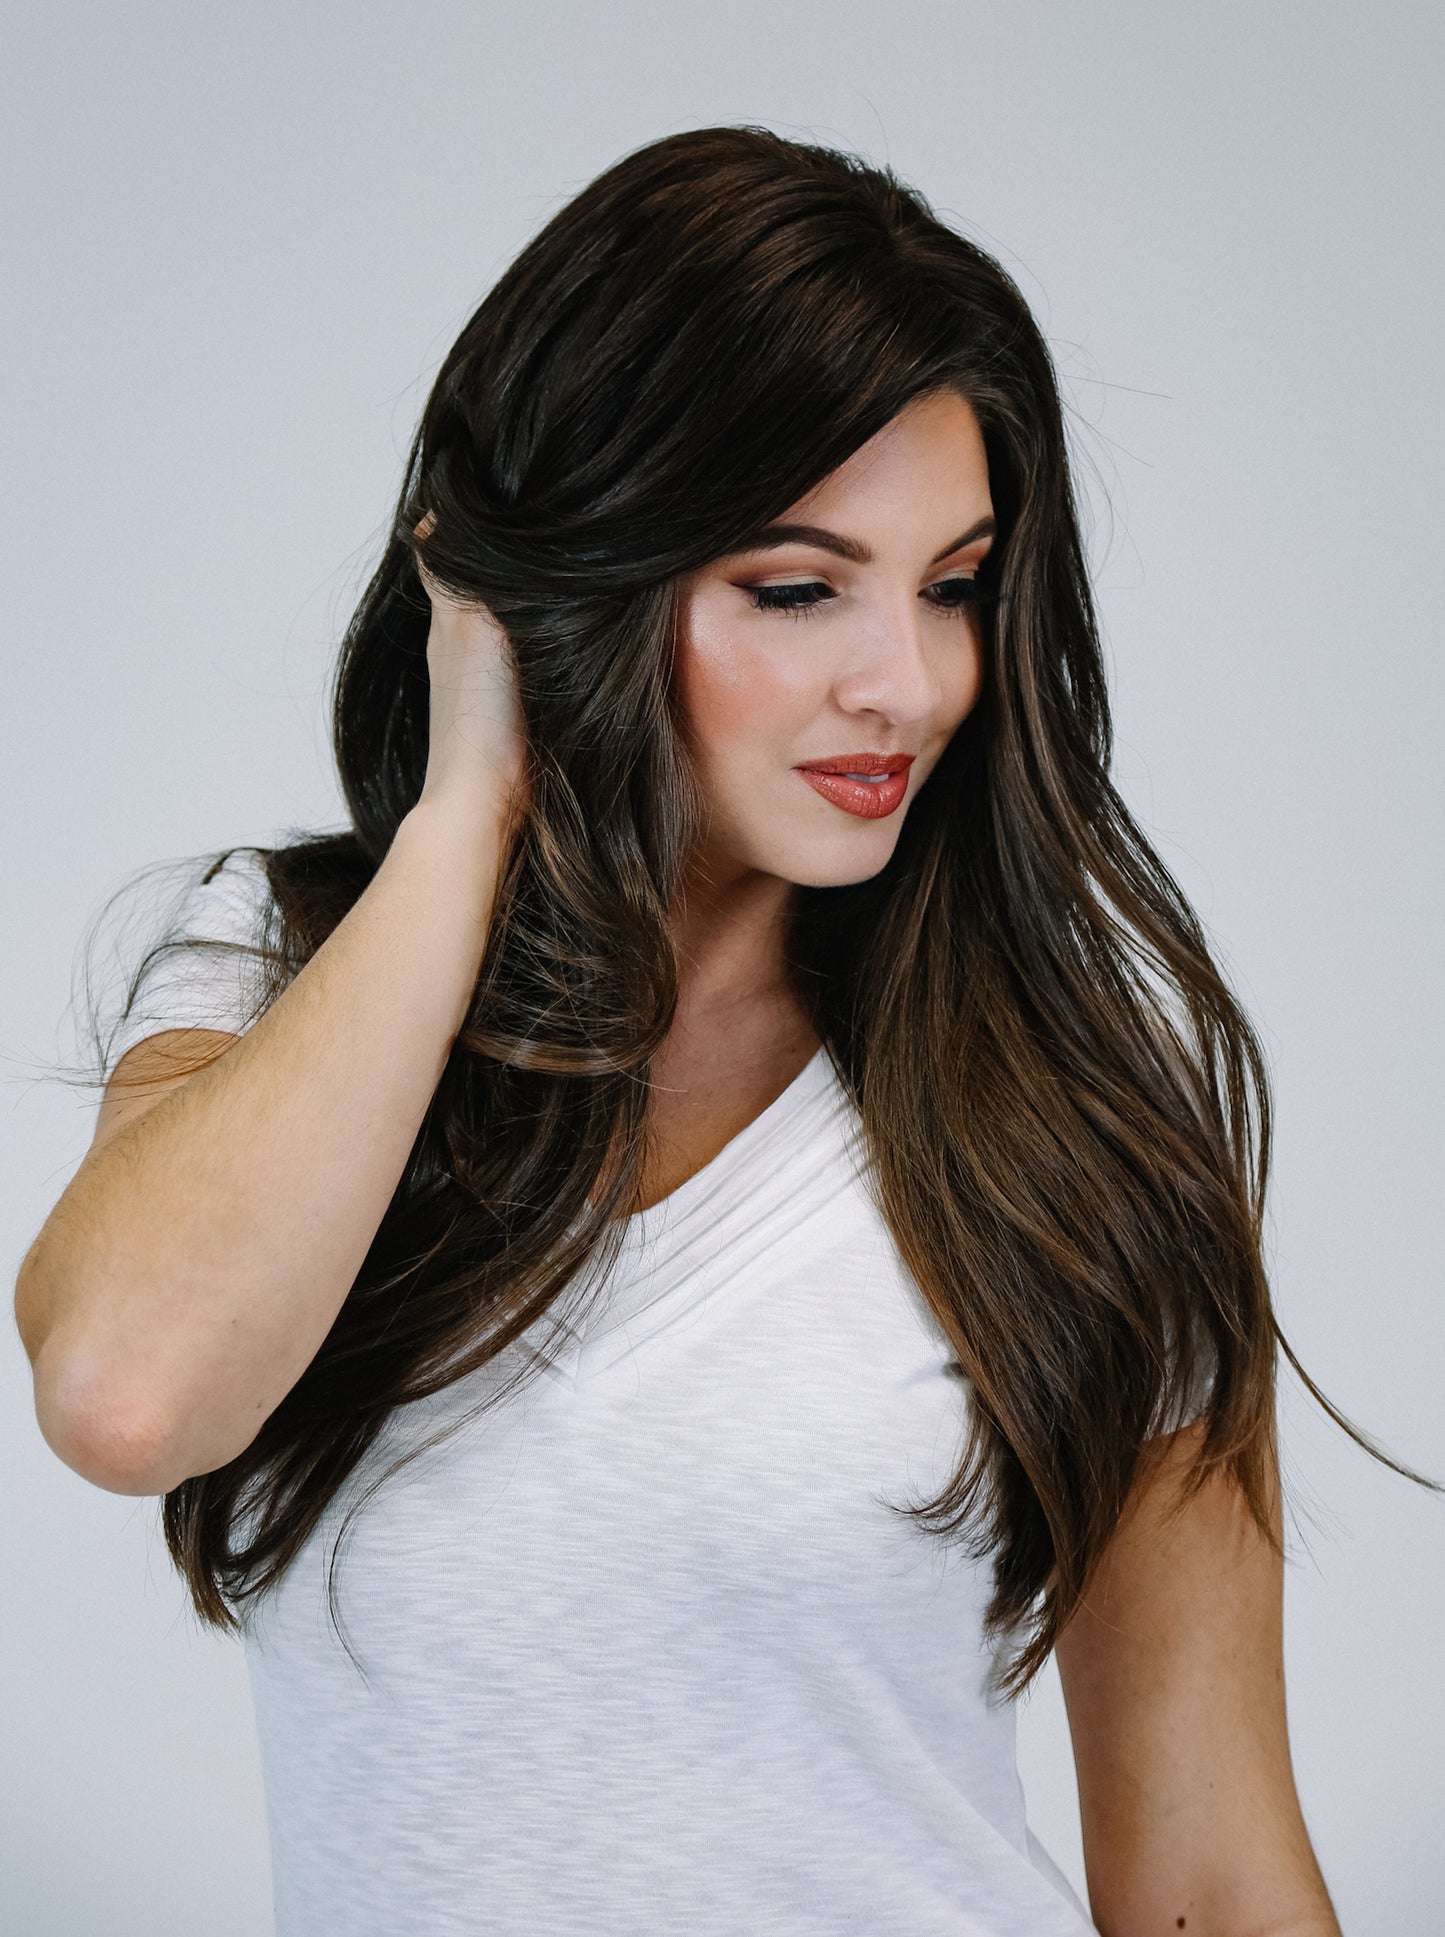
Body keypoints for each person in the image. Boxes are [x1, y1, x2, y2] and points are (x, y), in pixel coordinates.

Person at [18, 124, 1418, 1937]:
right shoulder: (266, 969)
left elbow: (1212, 1875)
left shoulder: (1061, 1126)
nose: (905, 683)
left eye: (951, 583)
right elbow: (129, 1392)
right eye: (794, 586)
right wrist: (468, 818)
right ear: (564, 585)